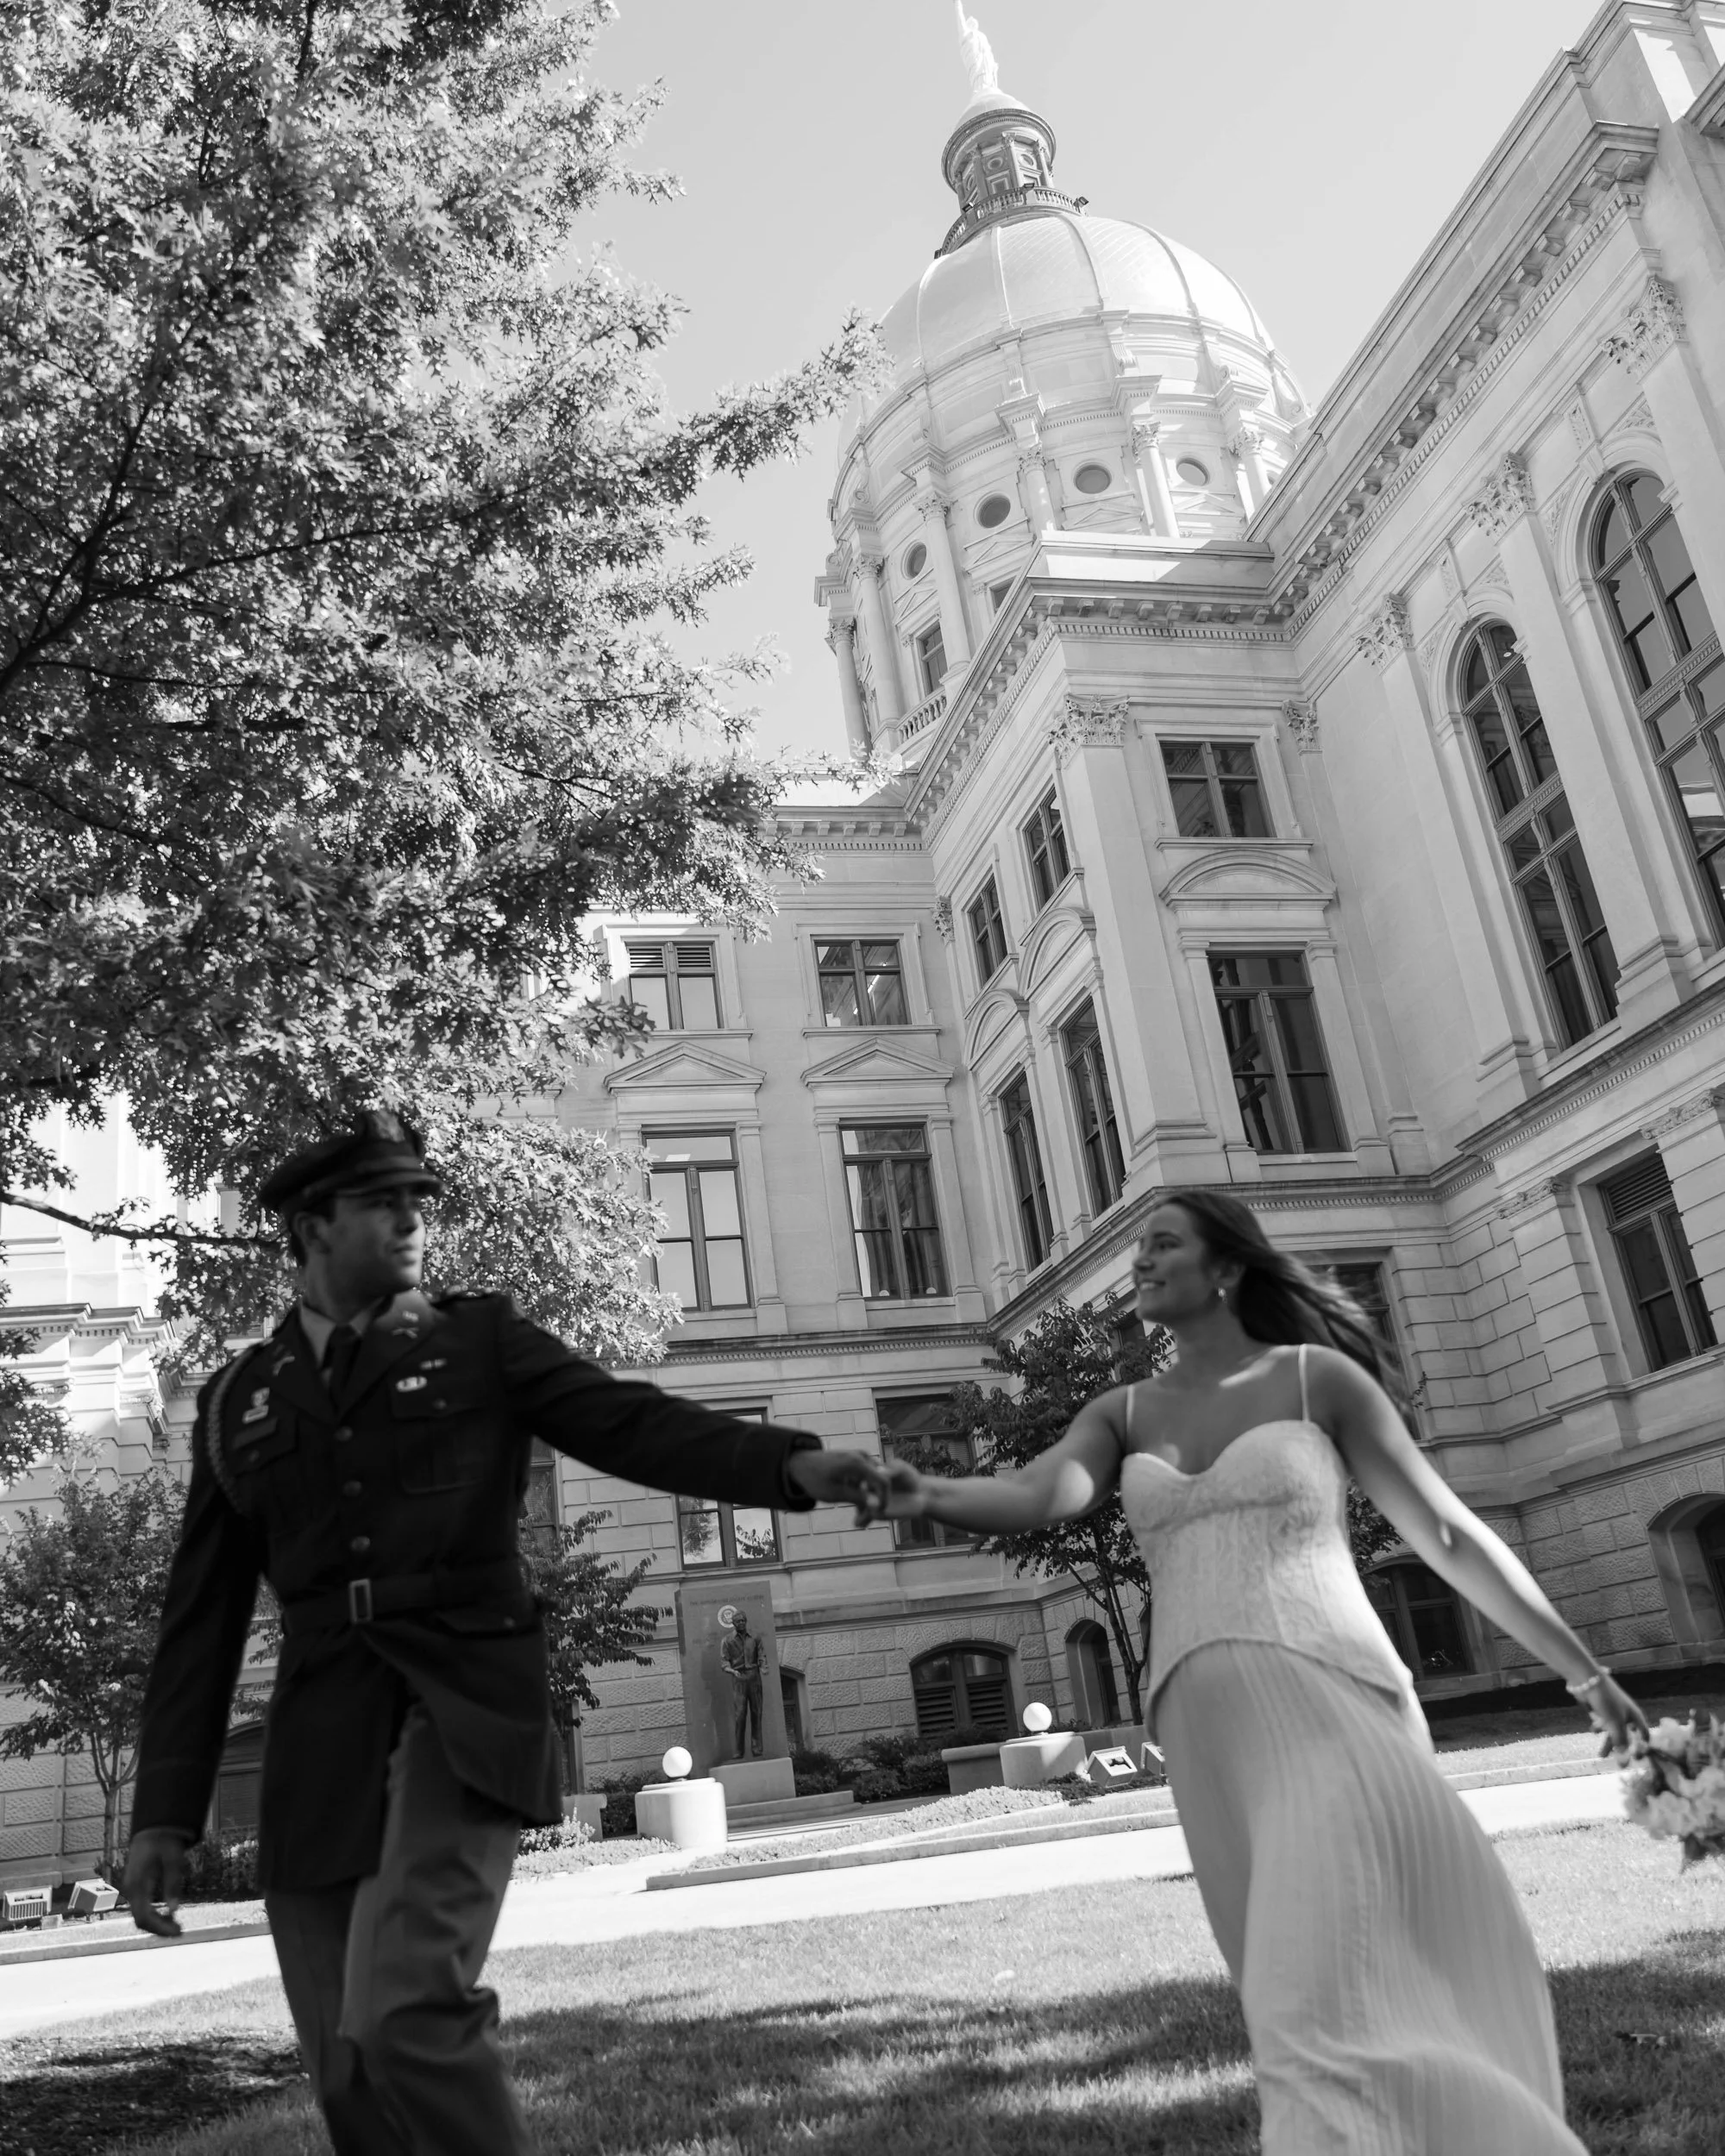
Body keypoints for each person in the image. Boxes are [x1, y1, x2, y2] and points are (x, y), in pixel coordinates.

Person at [122, 1110, 893, 2156]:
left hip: (461, 1708)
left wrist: (786, 1465)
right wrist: (164, 1813)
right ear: (310, 1227)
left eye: (416, 1201)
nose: (410, 1220)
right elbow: (200, 1619)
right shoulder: (236, 1403)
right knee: (347, 2073)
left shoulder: (478, 1341)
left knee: (406, 2009)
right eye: (381, 1202)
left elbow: (630, 1421)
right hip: (319, 1742)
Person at [880, 1188, 1646, 2154]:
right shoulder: (1120, 1412)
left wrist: (1586, 1674)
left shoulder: (1312, 1380)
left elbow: (1446, 1531)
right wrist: (923, 1489)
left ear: (1226, 1267)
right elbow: (1042, 1492)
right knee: (1303, 2014)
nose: (1140, 1264)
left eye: (1164, 1245)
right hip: (1204, 1745)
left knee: (1301, 2021)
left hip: (1329, 1704)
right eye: (1138, 1250)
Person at [720, 1609, 765, 1758]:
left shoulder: (755, 1638)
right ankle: (739, 1750)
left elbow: (762, 1656)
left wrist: (763, 1667)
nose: (741, 1623)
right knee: (740, 1715)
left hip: (754, 1677)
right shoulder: (727, 1640)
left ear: (746, 1622)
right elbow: (724, 1661)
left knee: (756, 1713)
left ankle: (757, 1748)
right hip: (739, 1679)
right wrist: (732, 1671)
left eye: (743, 1621)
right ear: (733, 1624)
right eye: (738, 1621)